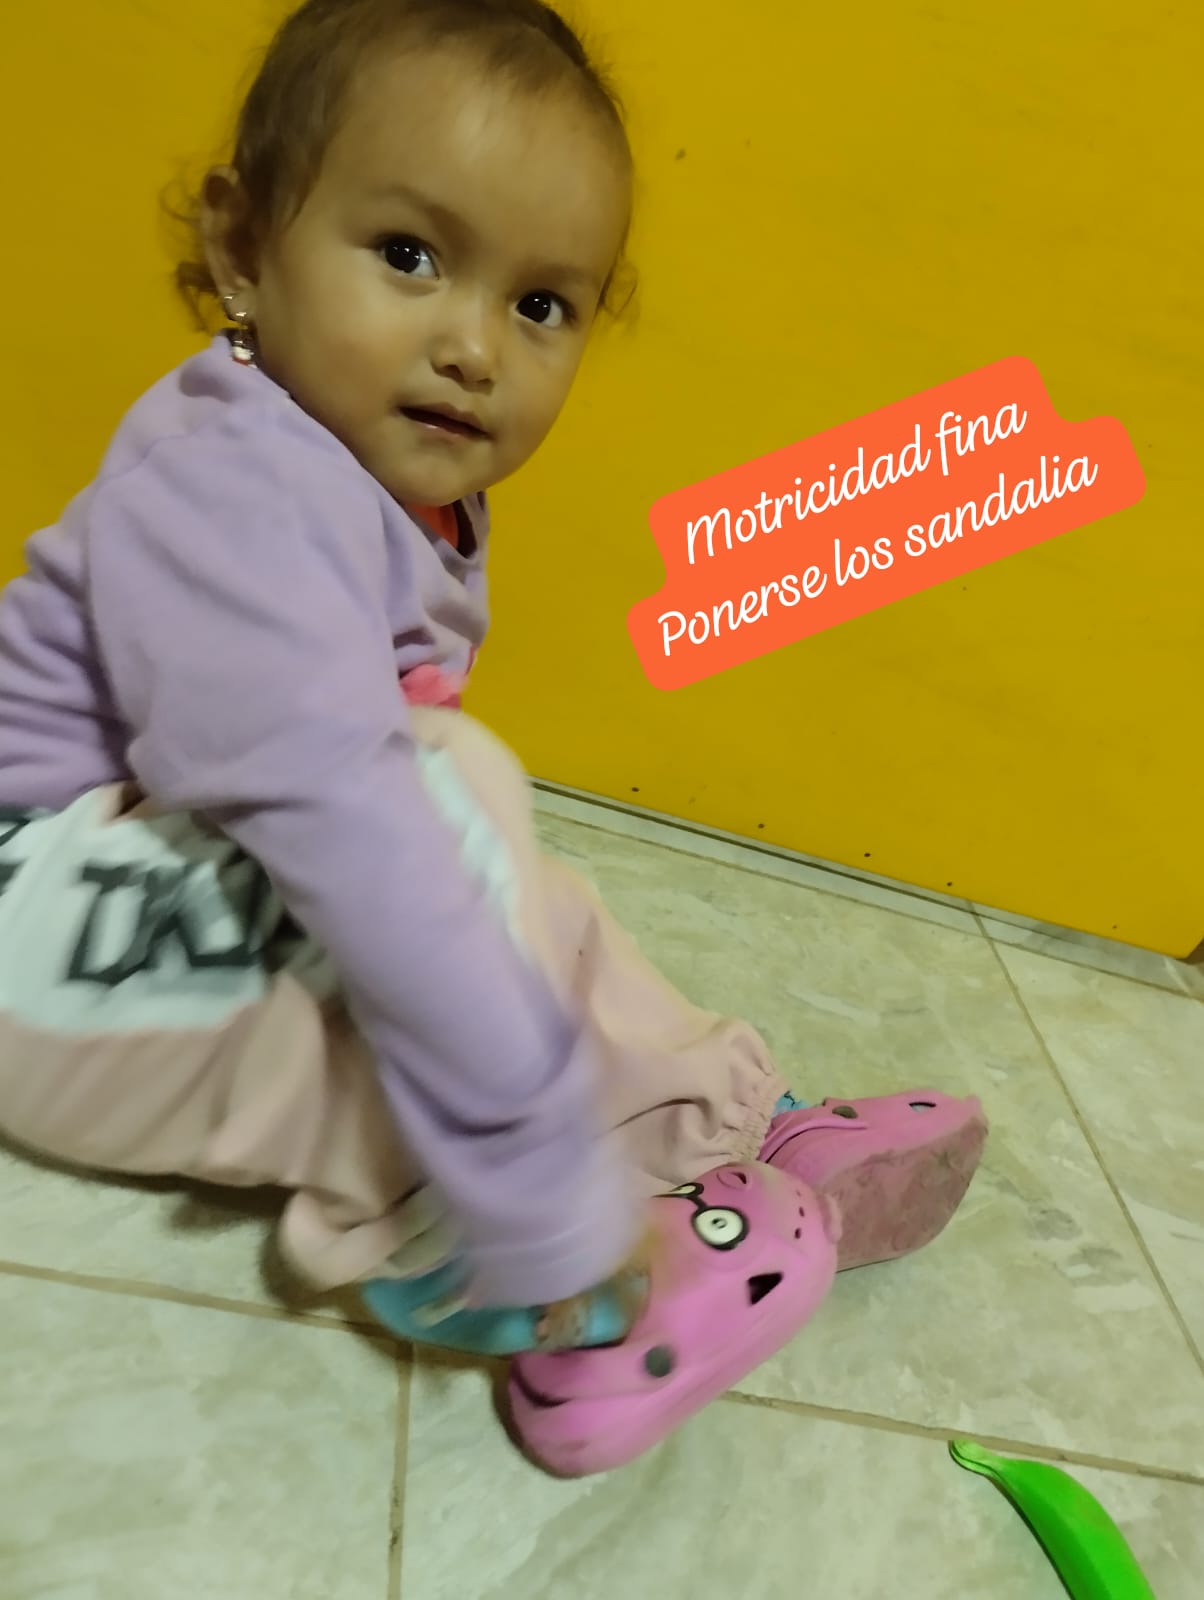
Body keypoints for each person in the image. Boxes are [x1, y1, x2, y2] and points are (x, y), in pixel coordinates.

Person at [0, 0, 986, 1371]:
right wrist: (530, 1172)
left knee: (497, 880)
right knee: (426, 836)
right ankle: (469, 1243)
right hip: (34, 935)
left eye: (539, 305)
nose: (475, 347)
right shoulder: (233, 493)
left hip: (130, 905)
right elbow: (345, 831)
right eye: (409, 256)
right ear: (243, 246)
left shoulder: (384, 483)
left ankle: (723, 1124)